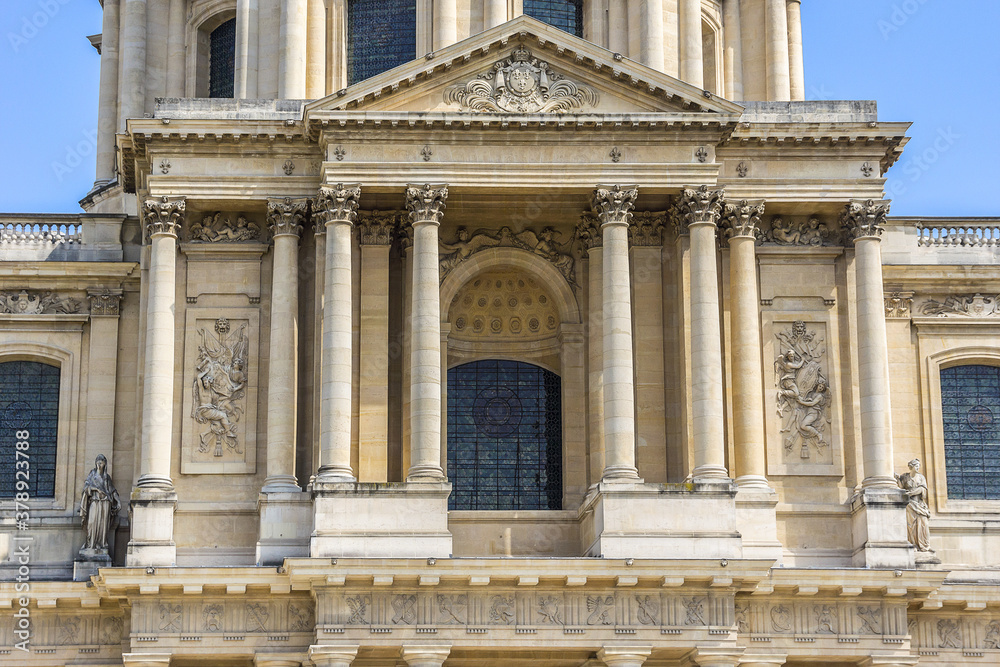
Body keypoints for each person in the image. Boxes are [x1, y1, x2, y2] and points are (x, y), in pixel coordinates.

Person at [80, 454, 122, 555]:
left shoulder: (107, 478)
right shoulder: (92, 475)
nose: (99, 463)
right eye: (98, 461)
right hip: (94, 501)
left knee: (103, 524)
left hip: (105, 503)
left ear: (105, 464)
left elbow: (112, 491)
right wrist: (95, 489)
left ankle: (101, 544)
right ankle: (91, 544)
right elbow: (86, 488)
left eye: (101, 461)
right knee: (92, 522)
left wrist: (118, 501)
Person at [895, 458, 932, 551]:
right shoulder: (905, 477)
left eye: (918, 466)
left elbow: (923, 489)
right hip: (910, 504)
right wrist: (897, 479)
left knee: (923, 524)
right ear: (911, 467)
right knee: (911, 525)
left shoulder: (921, 477)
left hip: (919, 504)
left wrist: (911, 493)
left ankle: (924, 545)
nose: (918, 468)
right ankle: (913, 544)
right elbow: (901, 487)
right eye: (916, 466)